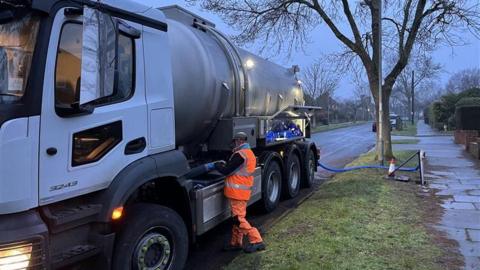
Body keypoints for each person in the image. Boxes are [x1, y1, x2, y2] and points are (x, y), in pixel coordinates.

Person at [206, 132, 266, 253]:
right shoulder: (249, 153)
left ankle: (257, 240)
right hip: (241, 192)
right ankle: (236, 243)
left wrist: (217, 165)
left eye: (234, 141)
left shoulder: (240, 154)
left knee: (238, 219)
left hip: (237, 192)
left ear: (239, 141)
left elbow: (227, 171)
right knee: (236, 219)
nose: (233, 144)